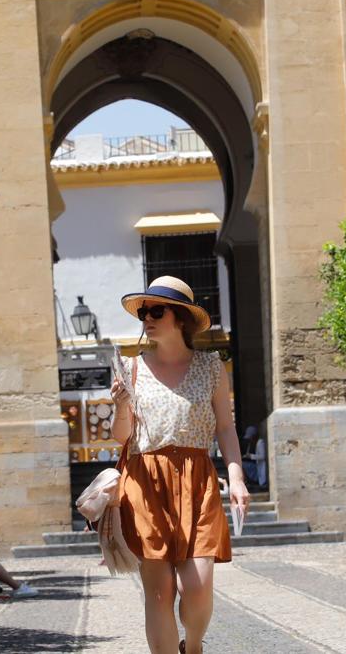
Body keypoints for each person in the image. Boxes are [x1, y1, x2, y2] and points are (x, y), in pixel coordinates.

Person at [111, 275, 251, 654]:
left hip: (197, 480)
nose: (147, 318)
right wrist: (122, 405)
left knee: (198, 587)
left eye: (157, 310)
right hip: (145, 481)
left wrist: (236, 478)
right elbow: (121, 437)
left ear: (182, 318)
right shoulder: (131, 369)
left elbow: (226, 428)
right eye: (144, 312)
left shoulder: (211, 368)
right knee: (158, 594)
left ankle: (194, 646)